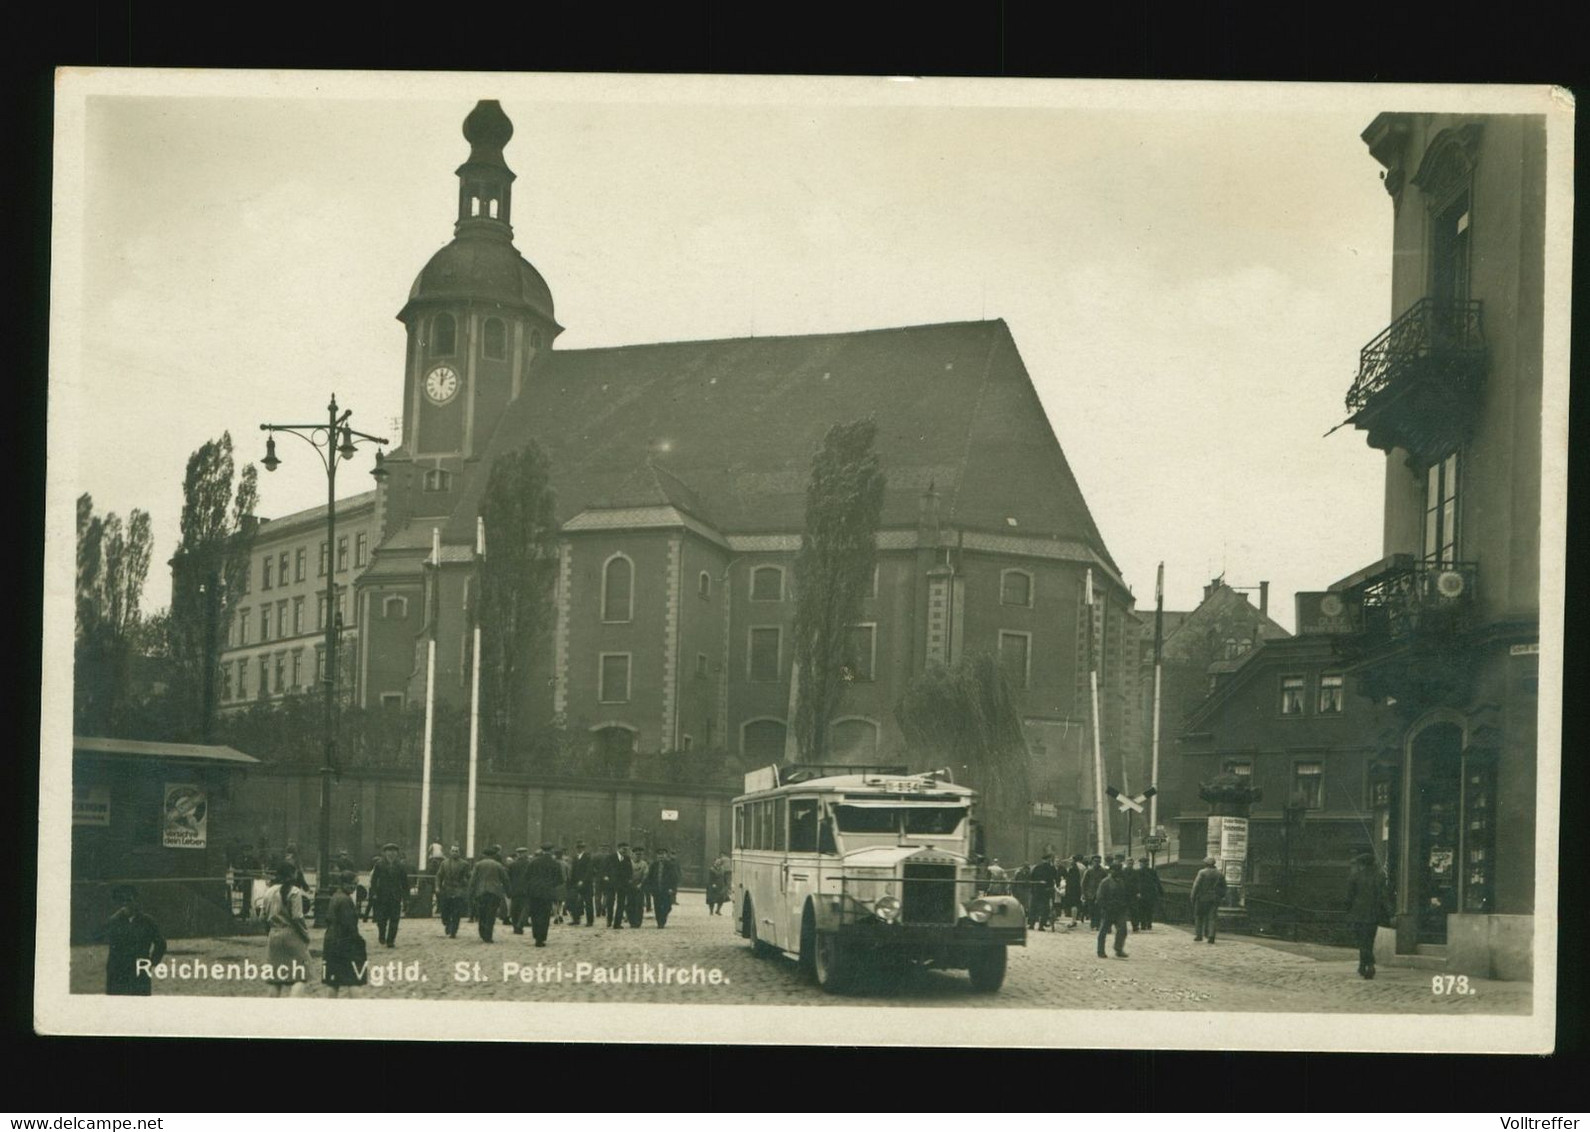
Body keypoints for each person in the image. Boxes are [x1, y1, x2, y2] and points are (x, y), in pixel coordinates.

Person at [97, 885, 167, 996]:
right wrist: (114, 917)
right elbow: (97, 936)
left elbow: (161, 944)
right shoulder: (114, 921)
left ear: (136, 902)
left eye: (129, 900)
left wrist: (152, 962)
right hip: (117, 972)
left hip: (139, 972)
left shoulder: (147, 922)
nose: (125, 904)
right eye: (122, 901)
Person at [263, 862, 312, 996]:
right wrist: (305, 935)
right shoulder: (294, 892)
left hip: (273, 934)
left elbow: (263, 916)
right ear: (292, 875)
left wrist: (269, 932)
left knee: (275, 978)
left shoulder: (269, 892)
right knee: (300, 975)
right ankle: (293, 1007)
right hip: (291, 934)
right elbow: (297, 917)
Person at [321, 871, 367, 997]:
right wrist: (358, 941)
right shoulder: (346, 900)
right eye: (351, 884)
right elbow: (349, 925)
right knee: (353, 980)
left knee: (333, 981)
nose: (354, 887)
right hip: (344, 942)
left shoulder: (336, 896)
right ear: (343, 884)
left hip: (331, 941)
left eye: (355, 884)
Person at [1345, 852, 1388, 979]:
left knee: (1362, 942)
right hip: (1373, 915)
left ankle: (1369, 964)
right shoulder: (1379, 877)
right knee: (1368, 941)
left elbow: (1348, 898)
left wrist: (1348, 911)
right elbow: (1383, 897)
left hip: (1357, 914)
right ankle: (1362, 965)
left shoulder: (1354, 877)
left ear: (1362, 864)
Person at [368, 842, 408, 948]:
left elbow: (405, 883)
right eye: (389, 851)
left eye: (394, 851)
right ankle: (382, 934)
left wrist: (406, 897)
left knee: (395, 919)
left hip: (395, 896)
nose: (391, 854)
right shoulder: (379, 864)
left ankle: (391, 940)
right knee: (382, 919)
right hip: (382, 896)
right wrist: (374, 893)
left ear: (397, 853)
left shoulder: (400, 866)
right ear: (385, 853)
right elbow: (374, 880)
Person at [525, 843, 565, 946]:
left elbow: (527, 876)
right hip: (547, 892)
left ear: (542, 851)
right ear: (551, 851)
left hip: (534, 892)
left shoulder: (534, 862)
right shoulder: (555, 864)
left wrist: (532, 885)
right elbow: (560, 880)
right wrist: (551, 885)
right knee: (545, 915)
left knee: (535, 914)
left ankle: (536, 935)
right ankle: (541, 937)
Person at [469, 846, 511, 943]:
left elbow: (473, 879)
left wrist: (471, 892)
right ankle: (488, 935)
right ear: (493, 855)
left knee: (482, 912)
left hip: (481, 892)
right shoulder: (498, 865)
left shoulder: (478, 865)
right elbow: (505, 879)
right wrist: (508, 892)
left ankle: (482, 931)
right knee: (491, 914)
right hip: (494, 892)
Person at [1095, 860, 1131, 959]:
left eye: (1119, 870)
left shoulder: (1122, 882)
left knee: (1123, 930)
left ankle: (1118, 949)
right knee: (1103, 931)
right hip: (1108, 910)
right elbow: (1099, 897)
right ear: (1111, 871)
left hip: (1120, 910)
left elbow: (1125, 895)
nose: (1118, 872)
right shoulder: (1105, 882)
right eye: (1116, 870)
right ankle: (1100, 951)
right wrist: (1105, 907)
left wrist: (1125, 905)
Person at [435, 844, 471, 938]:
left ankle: (453, 931)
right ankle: (447, 923)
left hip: (458, 890)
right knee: (445, 911)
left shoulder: (464, 864)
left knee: (456, 912)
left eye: (456, 851)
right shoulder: (444, 863)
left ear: (459, 853)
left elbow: (469, 876)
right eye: (453, 851)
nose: (454, 853)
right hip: (446, 889)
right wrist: (437, 887)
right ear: (450, 852)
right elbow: (439, 875)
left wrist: (465, 885)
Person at [1190, 857, 1227, 944]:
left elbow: (1196, 886)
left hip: (1202, 898)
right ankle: (1211, 936)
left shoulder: (1202, 872)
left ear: (1205, 864)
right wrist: (1221, 896)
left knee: (1199, 916)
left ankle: (1199, 935)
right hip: (1214, 898)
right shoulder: (1219, 874)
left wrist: (1192, 896)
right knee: (1212, 917)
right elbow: (1224, 887)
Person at [507, 846, 534, 935]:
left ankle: (515, 926)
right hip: (526, 890)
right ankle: (520, 924)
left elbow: (508, 878)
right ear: (525, 853)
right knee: (525, 909)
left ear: (518, 854)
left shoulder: (512, 865)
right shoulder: (530, 864)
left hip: (515, 890)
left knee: (515, 909)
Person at [1027, 853, 1058, 930]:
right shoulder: (1051, 868)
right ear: (1049, 859)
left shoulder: (1037, 867)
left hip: (1036, 890)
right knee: (1045, 908)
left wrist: (1032, 888)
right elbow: (1056, 877)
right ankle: (1041, 925)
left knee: (1034, 907)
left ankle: (1031, 924)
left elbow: (1031, 878)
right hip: (1046, 890)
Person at [607, 844, 634, 929]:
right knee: (610, 902)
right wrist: (605, 877)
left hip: (623, 884)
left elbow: (630, 870)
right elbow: (604, 869)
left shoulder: (627, 858)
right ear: (618, 849)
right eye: (623, 849)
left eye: (626, 849)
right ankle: (609, 919)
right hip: (611, 884)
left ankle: (617, 923)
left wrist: (629, 879)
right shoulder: (610, 857)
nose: (624, 851)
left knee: (621, 903)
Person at [568, 841, 595, 926]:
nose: (579, 849)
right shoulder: (575, 858)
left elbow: (589, 871)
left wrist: (583, 881)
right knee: (575, 902)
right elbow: (573, 871)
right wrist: (571, 882)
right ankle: (576, 919)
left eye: (581, 848)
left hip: (586, 884)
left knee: (588, 903)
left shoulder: (587, 857)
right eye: (578, 848)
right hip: (576, 883)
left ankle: (590, 921)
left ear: (583, 848)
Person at [652, 848, 681, 928]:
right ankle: (659, 923)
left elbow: (674, 878)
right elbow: (650, 877)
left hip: (666, 890)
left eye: (663, 854)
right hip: (657, 889)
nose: (661, 856)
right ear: (657, 856)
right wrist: (650, 888)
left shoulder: (670, 865)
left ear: (666, 855)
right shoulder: (654, 865)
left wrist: (672, 888)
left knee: (667, 906)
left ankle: (663, 917)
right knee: (657, 906)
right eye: (659, 854)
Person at [1133, 857, 1163, 931]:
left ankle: (1148, 924)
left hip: (1148, 893)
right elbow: (1135, 884)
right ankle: (1145, 924)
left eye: (1144, 863)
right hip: (1144, 893)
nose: (1143, 864)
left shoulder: (1151, 872)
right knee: (1144, 910)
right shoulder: (1141, 872)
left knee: (1147, 909)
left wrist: (1160, 890)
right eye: (1142, 863)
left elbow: (1157, 882)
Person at [594, 843, 616, 924]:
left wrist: (596, 873)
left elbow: (592, 867)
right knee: (606, 894)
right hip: (607, 878)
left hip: (598, 878)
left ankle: (598, 910)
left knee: (598, 895)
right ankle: (604, 907)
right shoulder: (610, 857)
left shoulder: (595, 856)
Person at [1082, 855, 1106, 929]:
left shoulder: (1103, 871)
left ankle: (1098, 924)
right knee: (1091, 909)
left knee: (1099, 909)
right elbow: (1084, 883)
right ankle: (1093, 924)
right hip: (1090, 893)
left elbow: (1106, 882)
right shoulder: (1089, 871)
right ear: (1092, 862)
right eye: (1095, 861)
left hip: (1100, 893)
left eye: (1098, 861)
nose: (1097, 863)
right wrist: (1083, 893)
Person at [629, 848, 651, 927]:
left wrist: (641, 884)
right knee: (630, 904)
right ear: (632, 854)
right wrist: (629, 882)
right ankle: (631, 921)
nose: (638, 856)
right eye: (636, 854)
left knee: (639, 904)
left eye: (640, 854)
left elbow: (646, 875)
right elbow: (625, 873)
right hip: (630, 886)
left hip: (640, 886)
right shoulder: (629, 863)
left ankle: (638, 922)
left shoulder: (644, 864)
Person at [1063, 855, 1085, 925]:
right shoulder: (1083, 867)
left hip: (1074, 887)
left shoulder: (1073, 868)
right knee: (1078, 903)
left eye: (1070, 860)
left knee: (1074, 904)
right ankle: (1079, 917)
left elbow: (1071, 879)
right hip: (1081, 886)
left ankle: (1074, 920)